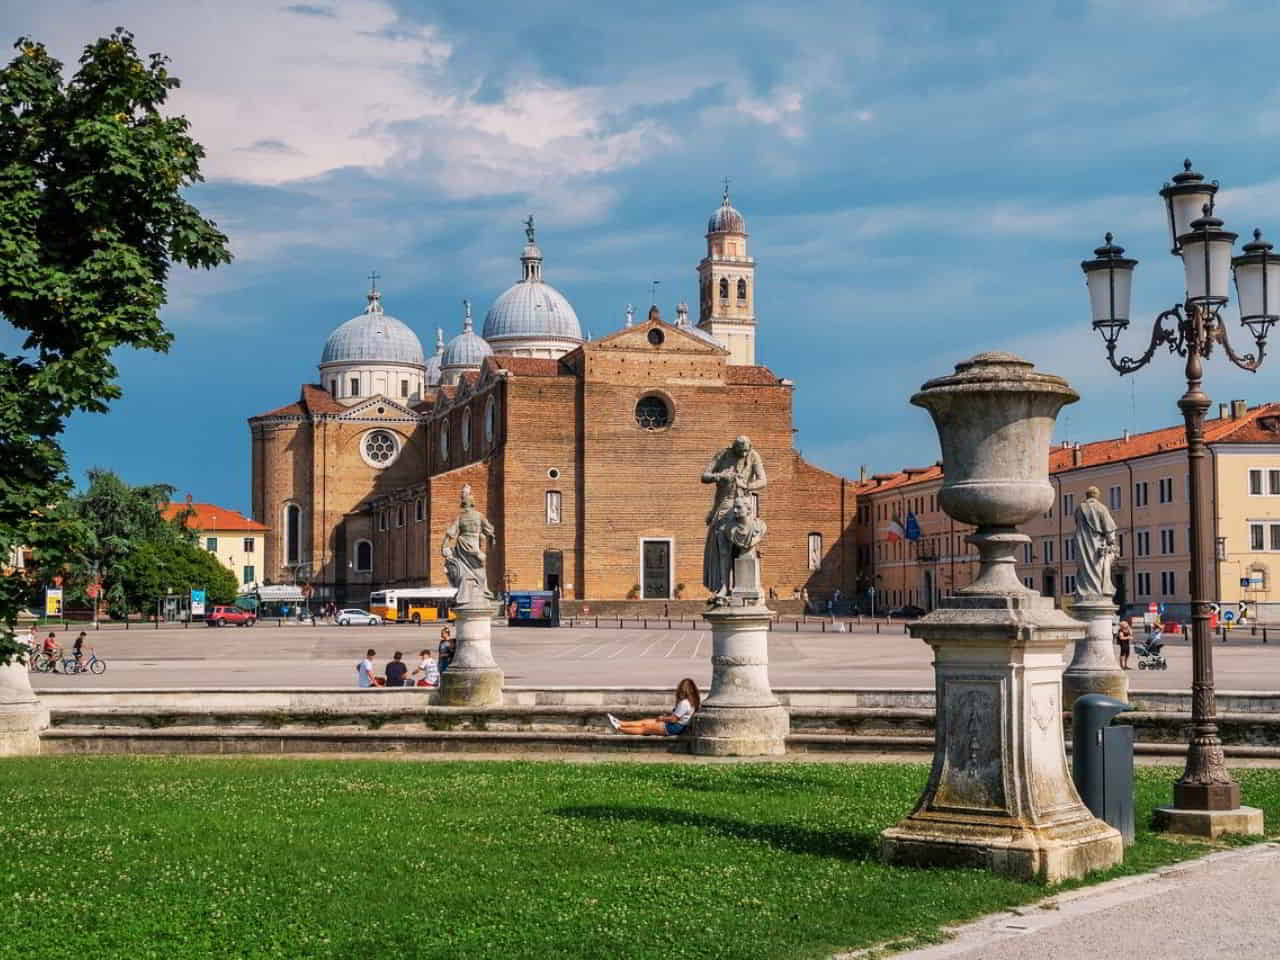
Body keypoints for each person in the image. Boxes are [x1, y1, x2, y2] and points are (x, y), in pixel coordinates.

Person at [607, 678, 700, 736]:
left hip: (674, 727)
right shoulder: (692, 701)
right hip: (676, 725)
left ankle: (619, 728)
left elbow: (674, 719)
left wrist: (663, 718)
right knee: (644, 722)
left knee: (645, 729)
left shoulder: (685, 703)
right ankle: (620, 722)